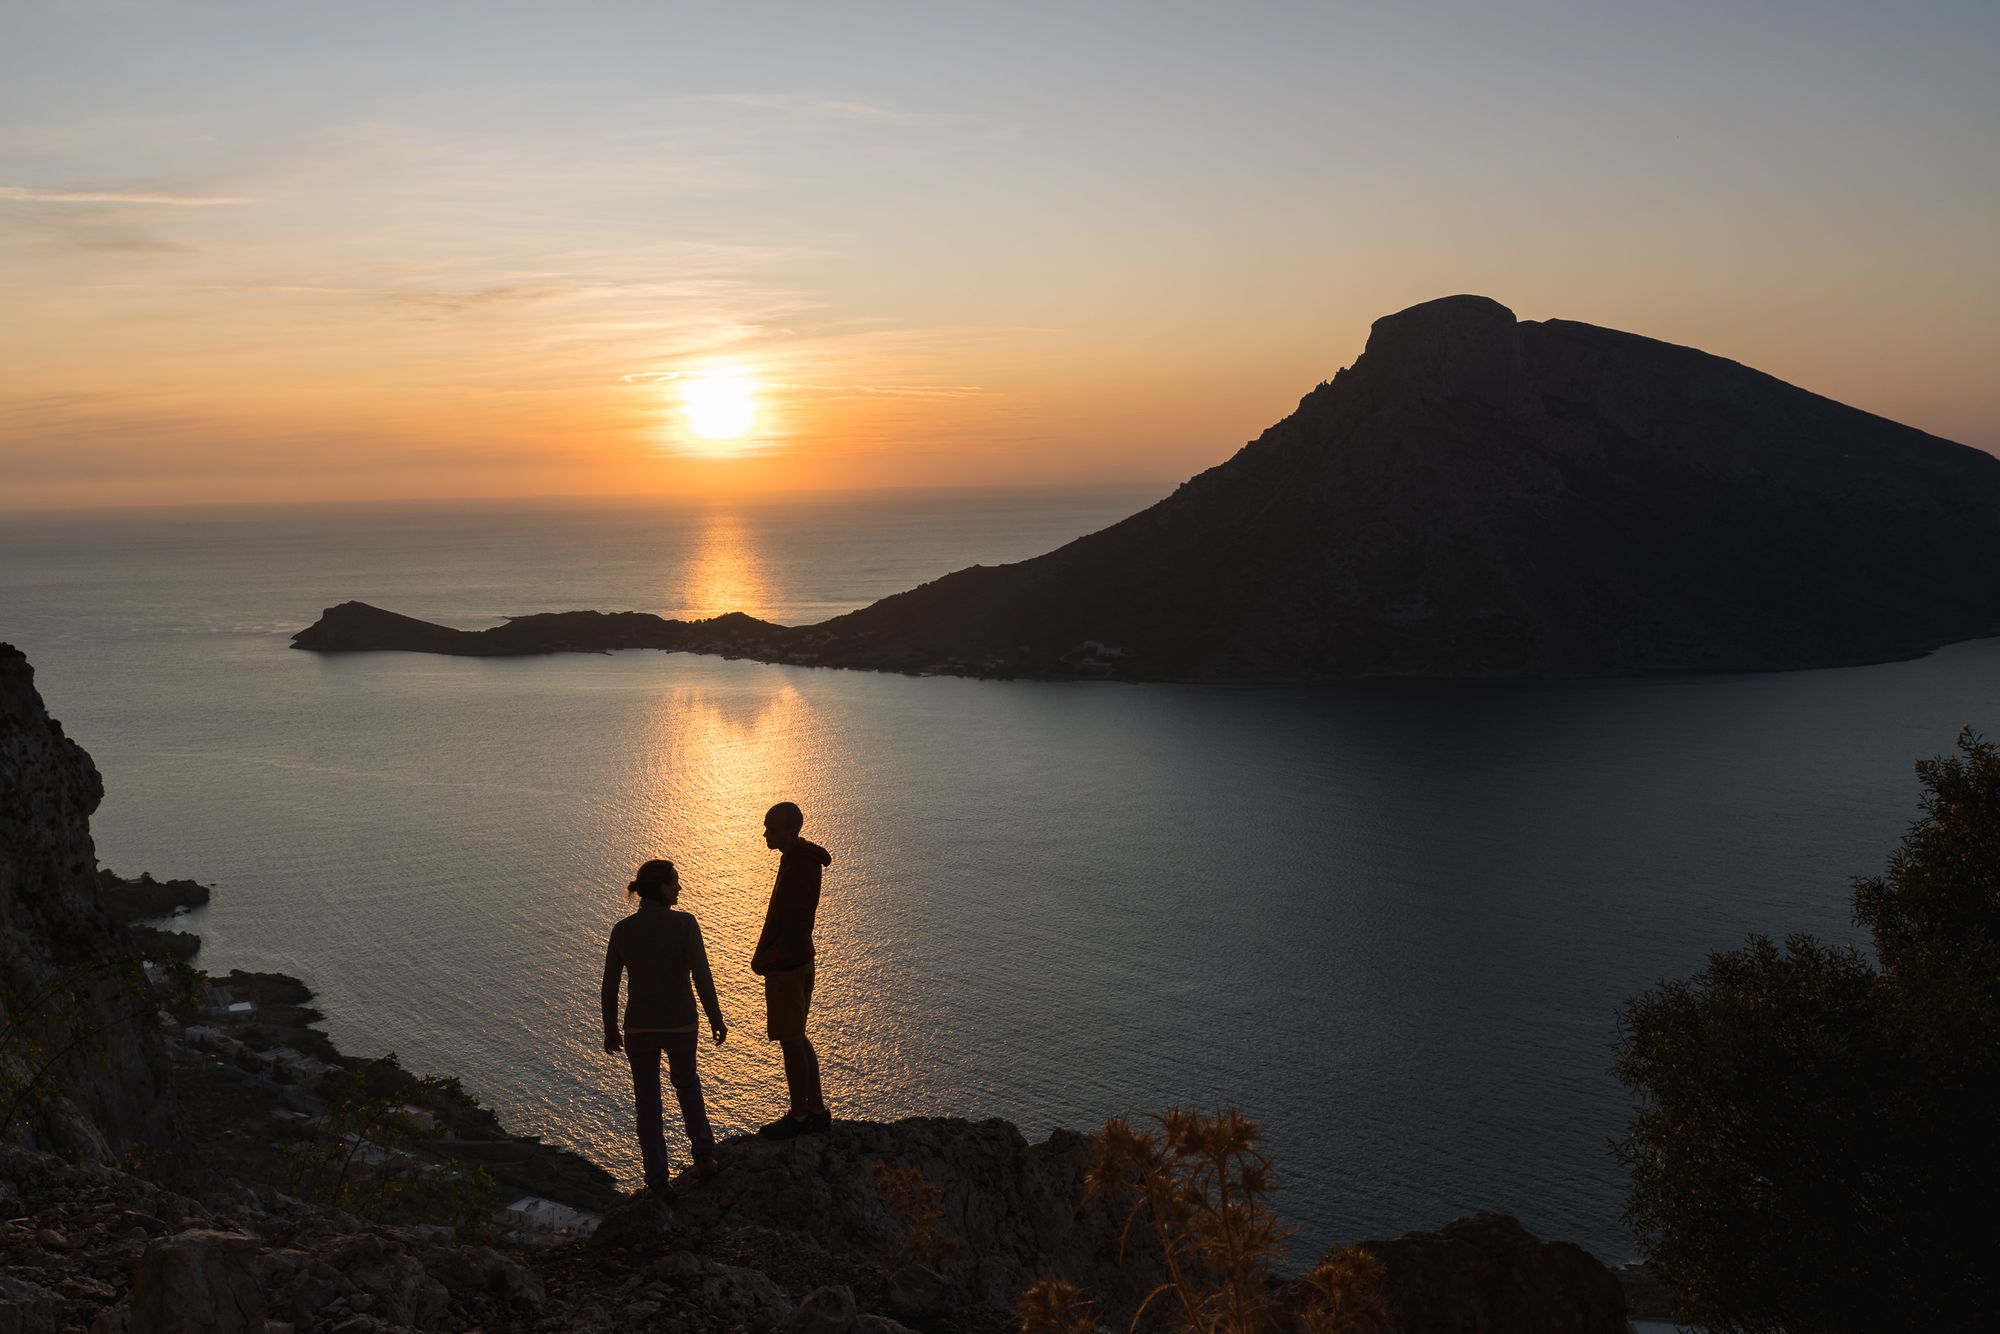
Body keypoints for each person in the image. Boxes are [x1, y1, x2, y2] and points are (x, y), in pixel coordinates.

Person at [601, 859, 727, 1199]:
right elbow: (702, 975)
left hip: (638, 1028)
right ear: (662, 888)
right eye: (675, 883)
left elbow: (610, 985)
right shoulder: (685, 924)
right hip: (680, 1024)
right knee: (687, 1086)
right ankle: (703, 1156)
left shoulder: (622, 931)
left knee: (647, 1102)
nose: (680, 889)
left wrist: (610, 1029)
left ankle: (657, 1179)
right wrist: (716, 1016)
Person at [750, 801, 834, 1139]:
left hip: (786, 963)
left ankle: (800, 1116)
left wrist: (763, 955)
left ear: (789, 830)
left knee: (791, 1039)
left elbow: (782, 917)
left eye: (771, 827)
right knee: (797, 1035)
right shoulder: (804, 858)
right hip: (802, 958)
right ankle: (815, 1108)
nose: (765, 832)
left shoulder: (797, 864)